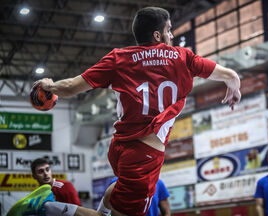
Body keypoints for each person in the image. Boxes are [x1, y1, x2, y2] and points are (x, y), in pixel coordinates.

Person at [9, 6, 241, 216]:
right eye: (169, 31)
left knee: (118, 191)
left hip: (119, 147)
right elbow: (227, 74)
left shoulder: (118, 59)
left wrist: (49, 86)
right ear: (157, 35)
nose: (172, 36)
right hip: (144, 156)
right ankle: (48, 207)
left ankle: (94, 209)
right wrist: (233, 83)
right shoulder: (182, 57)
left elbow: (71, 87)